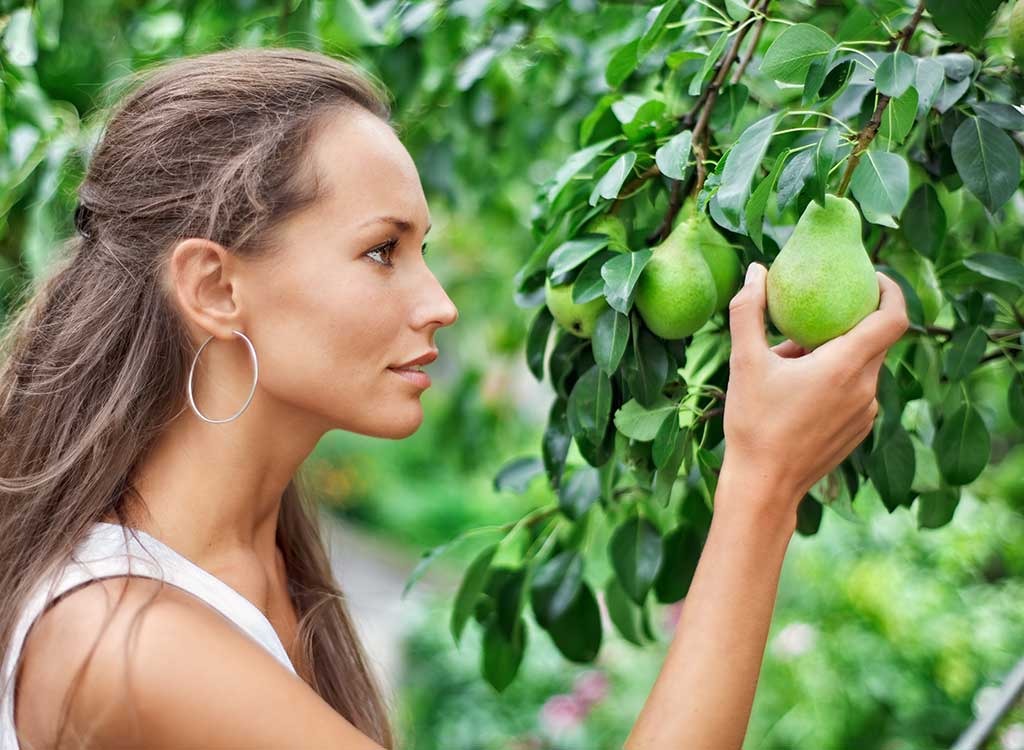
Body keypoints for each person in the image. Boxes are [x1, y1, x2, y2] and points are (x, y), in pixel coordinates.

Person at [0, 47, 908, 750]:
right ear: (214, 287)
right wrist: (761, 484)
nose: (437, 302)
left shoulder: (256, 564)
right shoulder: (122, 642)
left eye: (424, 248)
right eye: (382, 250)